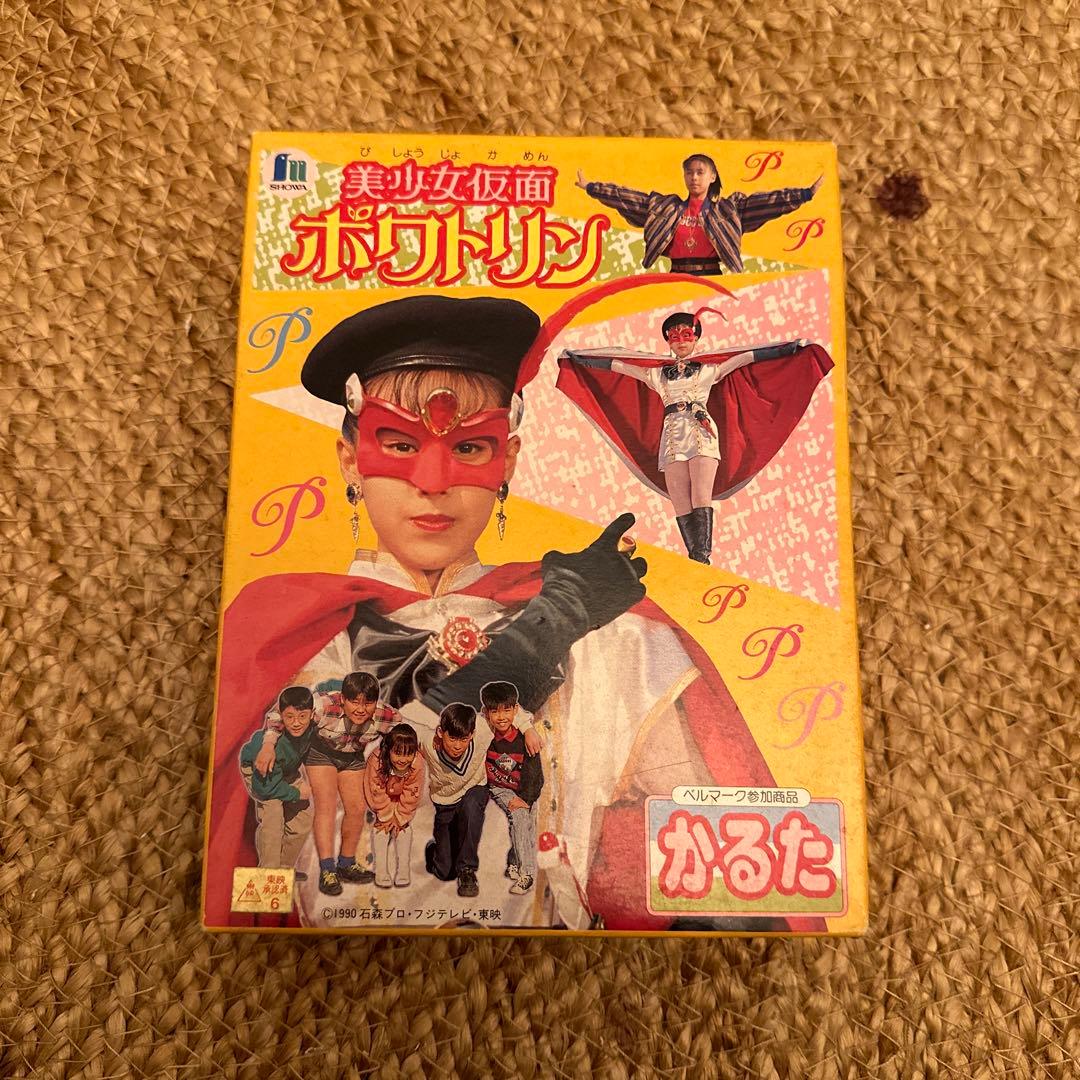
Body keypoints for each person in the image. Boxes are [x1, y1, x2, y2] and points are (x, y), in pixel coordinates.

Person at [206, 294, 824, 932]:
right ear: (349, 460)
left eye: (471, 448)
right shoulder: (280, 633)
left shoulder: (610, 637)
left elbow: (726, 877)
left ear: (508, 460)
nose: (434, 483)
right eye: (399, 443)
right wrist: (538, 639)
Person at [557, 307, 834, 563]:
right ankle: (695, 558)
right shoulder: (657, 375)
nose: (681, 341)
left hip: (702, 432)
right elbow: (619, 366)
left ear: (696, 338)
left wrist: (789, 348)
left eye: (686, 334)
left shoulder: (709, 369)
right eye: (674, 336)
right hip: (672, 437)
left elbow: (746, 357)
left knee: (701, 495)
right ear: (668, 341)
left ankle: (702, 558)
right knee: (680, 502)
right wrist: (580, 360)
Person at [256, 670, 397, 896]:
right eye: (354, 702)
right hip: (321, 752)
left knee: (357, 808)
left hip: (352, 755)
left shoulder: (385, 715)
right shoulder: (323, 705)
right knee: (326, 805)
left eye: (368, 703)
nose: (361, 709)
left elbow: (403, 736)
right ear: (343, 699)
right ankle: (327, 870)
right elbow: (279, 713)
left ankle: (346, 864)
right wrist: (268, 745)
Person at [576, 154, 823, 275]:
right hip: (676, 276)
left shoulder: (727, 210)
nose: (694, 177)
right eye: (689, 172)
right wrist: (592, 188)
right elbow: (628, 197)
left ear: (712, 176)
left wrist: (804, 194)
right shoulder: (666, 209)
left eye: (700, 172)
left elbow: (768, 202)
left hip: (712, 276)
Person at [237, 686, 315, 880]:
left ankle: (284, 869)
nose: (296, 723)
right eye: (289, 717)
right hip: (261, 773)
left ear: (312, 714)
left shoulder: (313, 724)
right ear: (281, 716)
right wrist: (296, 793)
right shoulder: (272, 747)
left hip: (286, 769)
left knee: (304, 817)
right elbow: (264, 788)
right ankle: (269, 873)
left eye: (302, 716)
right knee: (273, 815)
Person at [415, 703, 490, 897]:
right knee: (445, 872)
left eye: (463, 739)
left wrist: (528, 729)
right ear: (441, 732)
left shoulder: (483, 729)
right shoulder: (428, 741)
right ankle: (435, 849)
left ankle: (467, 870)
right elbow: (398, 723)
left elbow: (508, 714)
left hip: (475, 789)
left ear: (472, 734)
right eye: (452, 738)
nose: (458, 746)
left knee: (471, 807)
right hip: (446, 803)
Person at [480, 680, 543, 895]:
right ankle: (527, 875)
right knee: (520, 817)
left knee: (528, 826)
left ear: (515, 710)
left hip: (525, 788)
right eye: (495, 712)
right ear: (486, 713)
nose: (501, 717)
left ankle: (514, 862)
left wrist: (525, 798)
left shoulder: (525, 738)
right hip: (500, 787)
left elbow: (536, 776)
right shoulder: (484, 732)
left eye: (507, 710)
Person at [362, 722, 423, 888]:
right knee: (381, 829)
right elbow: (375, 789)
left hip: (402, 799)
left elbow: (412, 791)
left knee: (403, 829)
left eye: (408, 754)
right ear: (388, 750)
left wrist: (400, 816)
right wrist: (385, 815)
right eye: (397, 753)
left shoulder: (417, 763)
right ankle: (381, 871)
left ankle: (403, 870)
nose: (403, 759)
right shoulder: (377, 760)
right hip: (381, 799)